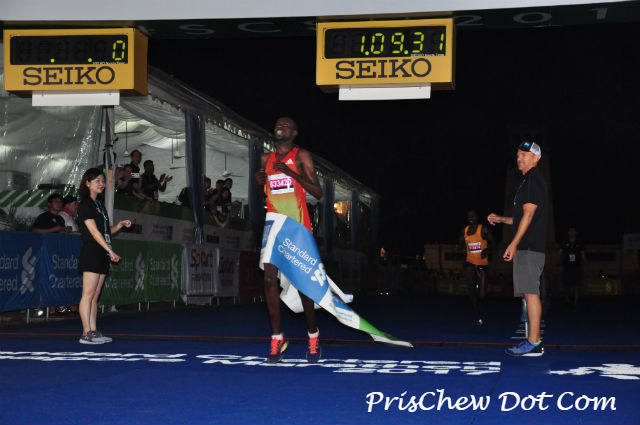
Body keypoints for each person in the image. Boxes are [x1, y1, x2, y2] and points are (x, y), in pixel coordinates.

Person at [255, 117, 323, 363]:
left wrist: (292, 173)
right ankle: (277, 338)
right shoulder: (265, 159)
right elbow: (264, 189)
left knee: (304, 286)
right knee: (269, 280)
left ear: (294, 133)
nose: (279, 125)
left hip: (297, 227)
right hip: (274, 224)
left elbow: (318, 192)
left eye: (285, 124)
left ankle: (313, 336)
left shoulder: (301, 156)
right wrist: (259, 183)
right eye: (277, 123)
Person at [488, 140, 548, 357]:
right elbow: (523, 217)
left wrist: (513, 244)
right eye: (518, 155)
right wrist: (502, 219)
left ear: (536, 158)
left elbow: (529, 216)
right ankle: (533, 340)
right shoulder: (528, 181)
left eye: (524, 154)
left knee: (531, 293)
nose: (519, 158)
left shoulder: (533, 180)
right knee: (529, 293)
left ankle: (534, 342)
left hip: (529, 247)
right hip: (527, 247)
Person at [76, 168, 131, 344]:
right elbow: (93, 232)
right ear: (87, 183)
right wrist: (110, 250)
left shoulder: (99, 205)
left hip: (102, 251)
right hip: (92, 251)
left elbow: (106, 231)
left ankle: (93, 331)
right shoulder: (85, 204)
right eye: (97, 181)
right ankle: (86, 332)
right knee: (88, 293)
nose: (101, 184)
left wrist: (119, 225)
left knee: (95, 294)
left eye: (102, 181)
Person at [458, 210, 495, 326]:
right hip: (470, 262)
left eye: (473, 216)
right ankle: (478, 316)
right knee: (471, 290)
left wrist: (487, 250)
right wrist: (460, 245)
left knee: (482, 295)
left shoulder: (483, 229)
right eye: (469, 216)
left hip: (482, 264)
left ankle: (480, 291)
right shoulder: (464, 230)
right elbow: (460, 244)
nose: (470, 218)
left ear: (477, 217)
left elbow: (493, 243)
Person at [559, 226, 586, 312]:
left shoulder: (579, 242)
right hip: (566, 266)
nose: (572, 232)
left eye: (573, 231)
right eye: (570, 231)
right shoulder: (564, 242)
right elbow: (560, 253)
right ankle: (567, 301)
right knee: (567, 284)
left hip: (576, 266)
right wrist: (559, 263)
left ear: (576, 232)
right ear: (568, 233)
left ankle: (575, 303)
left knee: (576, 285)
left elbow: (582, 254)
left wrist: (584, 264)